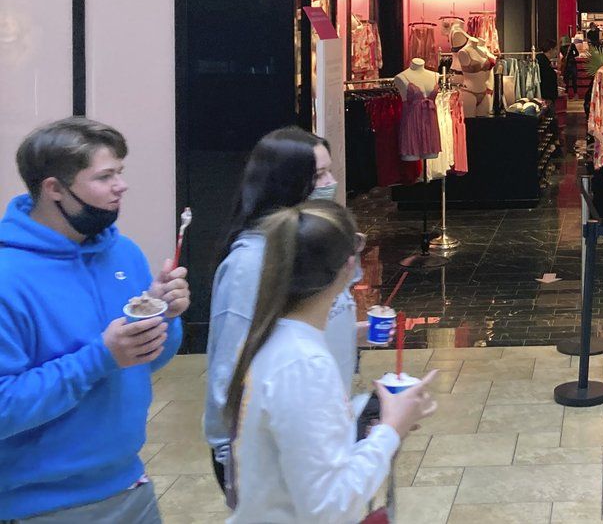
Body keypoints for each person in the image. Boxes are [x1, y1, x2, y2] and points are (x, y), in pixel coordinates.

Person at [0, 117, 189, 523]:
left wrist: (165, 317)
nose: (121, 186)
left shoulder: (123, 253)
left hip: (129, 483)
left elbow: (146, 363)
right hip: (43, 504)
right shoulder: (8, 277)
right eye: (105, 177)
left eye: (120, 172)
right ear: (54, 189)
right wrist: (101, 357)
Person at [225, 201, 437, 523]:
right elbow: (330, 505)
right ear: (348, 266)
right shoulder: (303, 364)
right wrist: (391, 430)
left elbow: (303, 449)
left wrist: (374, 417)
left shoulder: (271, 337)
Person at [205, 127, 361, 493]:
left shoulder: (311, 246)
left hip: (316, 431)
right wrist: (232, 455)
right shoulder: (250, 263)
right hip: (269, 450)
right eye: (319, 175)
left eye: (330, 171)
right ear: (289, 183)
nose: (331, 183)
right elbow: (230, 363)